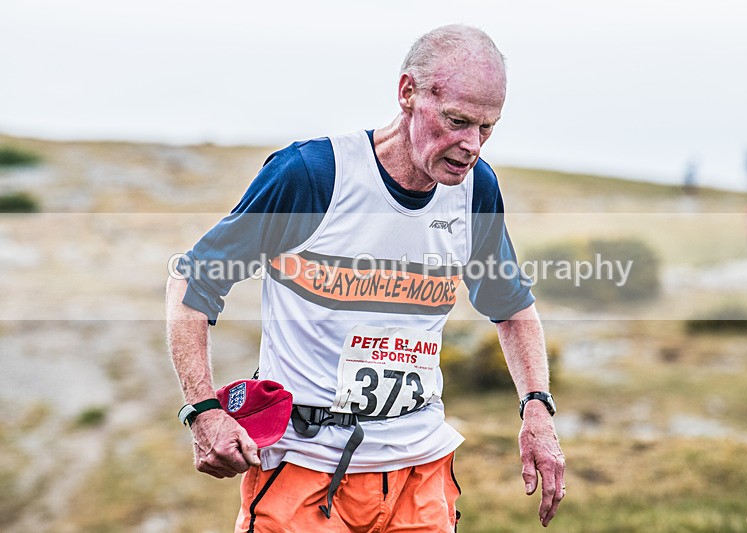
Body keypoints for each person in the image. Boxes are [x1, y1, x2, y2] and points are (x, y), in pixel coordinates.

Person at [166, 24, 565, 532]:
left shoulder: (475, 191)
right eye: (457, 121)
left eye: (487, 127)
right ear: (407, 93)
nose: (471, 145)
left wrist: (537, 409)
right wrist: (202, 411)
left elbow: (512, 309)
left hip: (420, 472)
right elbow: (192, 284)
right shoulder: (313, 175)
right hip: (304, 469)